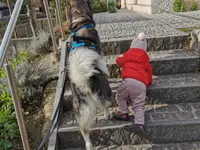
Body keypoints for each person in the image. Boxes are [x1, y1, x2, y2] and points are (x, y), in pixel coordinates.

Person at [113, 33, 152, 136]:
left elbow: (119, 62)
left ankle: (124, 112)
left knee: (119, 96)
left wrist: (119, 57)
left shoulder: (127, 54)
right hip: (141, 84)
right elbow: (149, 72)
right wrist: (149, 82)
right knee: (139, 105)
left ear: (132, 45)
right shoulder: (145, 58)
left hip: (128, 81)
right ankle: (139, 124)